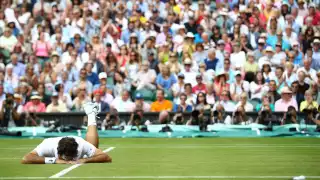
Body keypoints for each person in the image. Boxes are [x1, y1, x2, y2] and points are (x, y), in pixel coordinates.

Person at [21, 102, 112, 164]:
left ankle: (91, 113)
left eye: (72, 158)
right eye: (66, 158)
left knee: (93, 147)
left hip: (80, 143)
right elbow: (26, 158)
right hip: (54, 150)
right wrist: (53, 160)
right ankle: (91, 114)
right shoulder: (47, 145)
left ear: (77, 151)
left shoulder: (81, 144)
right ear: (59, 153)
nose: (70, 161)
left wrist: (85, 160)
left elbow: (106, 157)